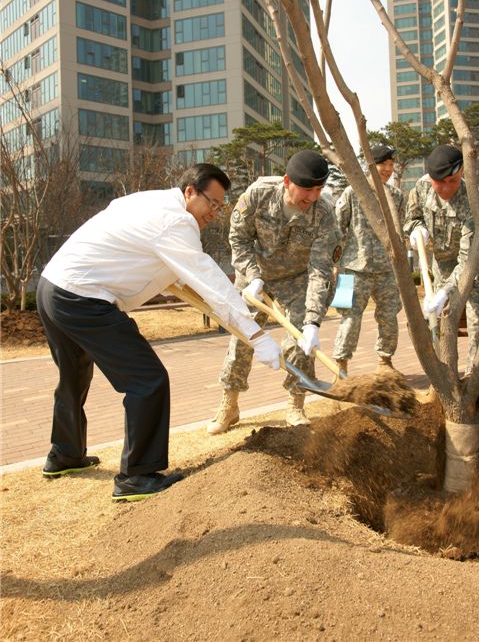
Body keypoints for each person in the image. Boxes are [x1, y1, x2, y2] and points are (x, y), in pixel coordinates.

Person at [36, 164, 281, 501]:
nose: (215, 212)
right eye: (212, 202)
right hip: (82, 296)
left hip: (53, 287)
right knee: (147, 380)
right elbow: (212, 283)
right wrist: (257, 336)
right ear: (190, 191)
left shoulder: (149, 201)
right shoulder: (177, 222)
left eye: (221, 207)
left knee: (73, 375)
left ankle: (64, 454)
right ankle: (136, 476)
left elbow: (153, 258)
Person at [208, 150, 342, 434]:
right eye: (307, 189)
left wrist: (312, 322)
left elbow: (320, 269)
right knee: (242, 338)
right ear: (286, 182)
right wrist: (253, 276)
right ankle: (229, 404)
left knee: (300, 342)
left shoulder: (325, 213)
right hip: (256, 273)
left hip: (297, 277)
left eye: (319, 189)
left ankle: (296, 404)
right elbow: (239, 238)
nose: (313, 197)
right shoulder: (258, 195)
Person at [404, 144, 479, 374]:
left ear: (462, 173)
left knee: (478, 327)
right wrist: (417, 230)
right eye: (440, 182)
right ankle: (445, 377)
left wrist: (446, 291)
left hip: (474, 274)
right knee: (439, 327)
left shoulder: (478, 203)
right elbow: (412, 217)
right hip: (441, 268)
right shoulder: (422, 187)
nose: (446, 188)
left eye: (453, 181)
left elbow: (469, 261)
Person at [332, 145, 405, 379]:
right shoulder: (352, 193)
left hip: (387, 269)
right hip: (351, 268)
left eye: (391, 165)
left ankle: (385, 361)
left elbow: (398, 231)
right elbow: (336, 229)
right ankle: (340, 366)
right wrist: (334, 263)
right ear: (370, 165)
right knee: (348, 317)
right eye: (383, 164)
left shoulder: (397, 196)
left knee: (389, 315)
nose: (388, 169)